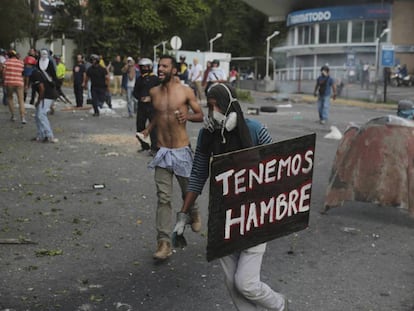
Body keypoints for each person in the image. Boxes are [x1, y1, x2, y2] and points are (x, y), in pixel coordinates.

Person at [173, 83, 288, 311]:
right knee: (231, 283)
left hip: (255, 214)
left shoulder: (254, 129)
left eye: (215, 106)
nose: (210, 112)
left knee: (245, 283)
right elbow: (198, 174)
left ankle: (279, 304)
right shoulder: (208, 135)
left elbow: (279, 163)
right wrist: (183, 214)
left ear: (228, 106)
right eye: (209, 106)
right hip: (224, 216)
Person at [140, 55, 203, 260]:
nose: (160, 69)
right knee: (163, 198)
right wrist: (148, 130)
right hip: (162, 152)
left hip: (182, 151)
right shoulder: (154, 92)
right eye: (159, 65)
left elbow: (200, 115)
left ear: (174, 70)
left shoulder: (186, 91)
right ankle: (164, 243)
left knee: (188, 192)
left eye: (164, 66)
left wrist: (189, 117)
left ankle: (193, 210)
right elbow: (159, 114)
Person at [133, 57, 159, 155]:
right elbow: (135, 92)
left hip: (152, 107)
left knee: (153, 128)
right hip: (141, 106)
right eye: (142, 67)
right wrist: (140, 98)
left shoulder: (155, 79)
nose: (144, 69)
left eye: (145, 67)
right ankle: (144, 146)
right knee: (139, 126)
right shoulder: (140, 79)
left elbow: (160, 93)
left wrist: (151, 98)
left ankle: (154, 148)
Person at [30, 63, 59, 143]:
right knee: (37, 115)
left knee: (41, 114)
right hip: (48, 94)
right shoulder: (39, 72)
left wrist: (38, 101)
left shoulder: (35, 74)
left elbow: (42, 89)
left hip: (48, 95)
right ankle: (41, 135)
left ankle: (49, 136)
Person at [3, 49, 26, 123]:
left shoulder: (6, 62)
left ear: (9, 55)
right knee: (21, 100)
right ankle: (23, 118)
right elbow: (23, 72)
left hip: (9, 82)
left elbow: (3, 72)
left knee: (10, 98)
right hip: (19, 82)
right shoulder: (21, 62)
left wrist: (4, 79)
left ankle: (13, 116)